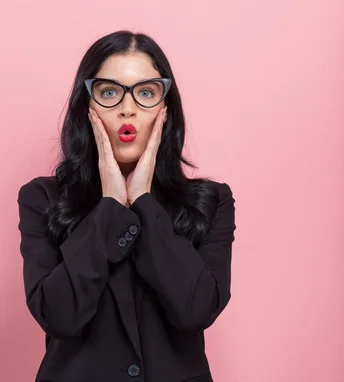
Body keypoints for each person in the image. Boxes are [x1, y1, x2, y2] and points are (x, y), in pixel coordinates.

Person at [16, 30, 236, 382]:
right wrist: (111, 205)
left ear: (166, 109)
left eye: (146, 92)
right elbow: (59, 316)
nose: (127, 108)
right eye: (109, 92)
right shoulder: (42, 199)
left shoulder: (211, 201)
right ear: (85, 107)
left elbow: (196, 310)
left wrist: (144, 203)